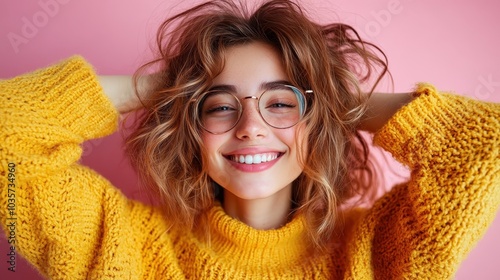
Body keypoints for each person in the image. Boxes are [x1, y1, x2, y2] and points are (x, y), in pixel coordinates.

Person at [0, 0, 498, 279]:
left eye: (280, 103)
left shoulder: (382, 253)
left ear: (318, 121)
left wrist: (334, 99)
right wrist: (170, 89)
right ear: (190, 129)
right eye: (219, 106)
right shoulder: (122, 243)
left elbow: (486, 143)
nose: (250, 126)